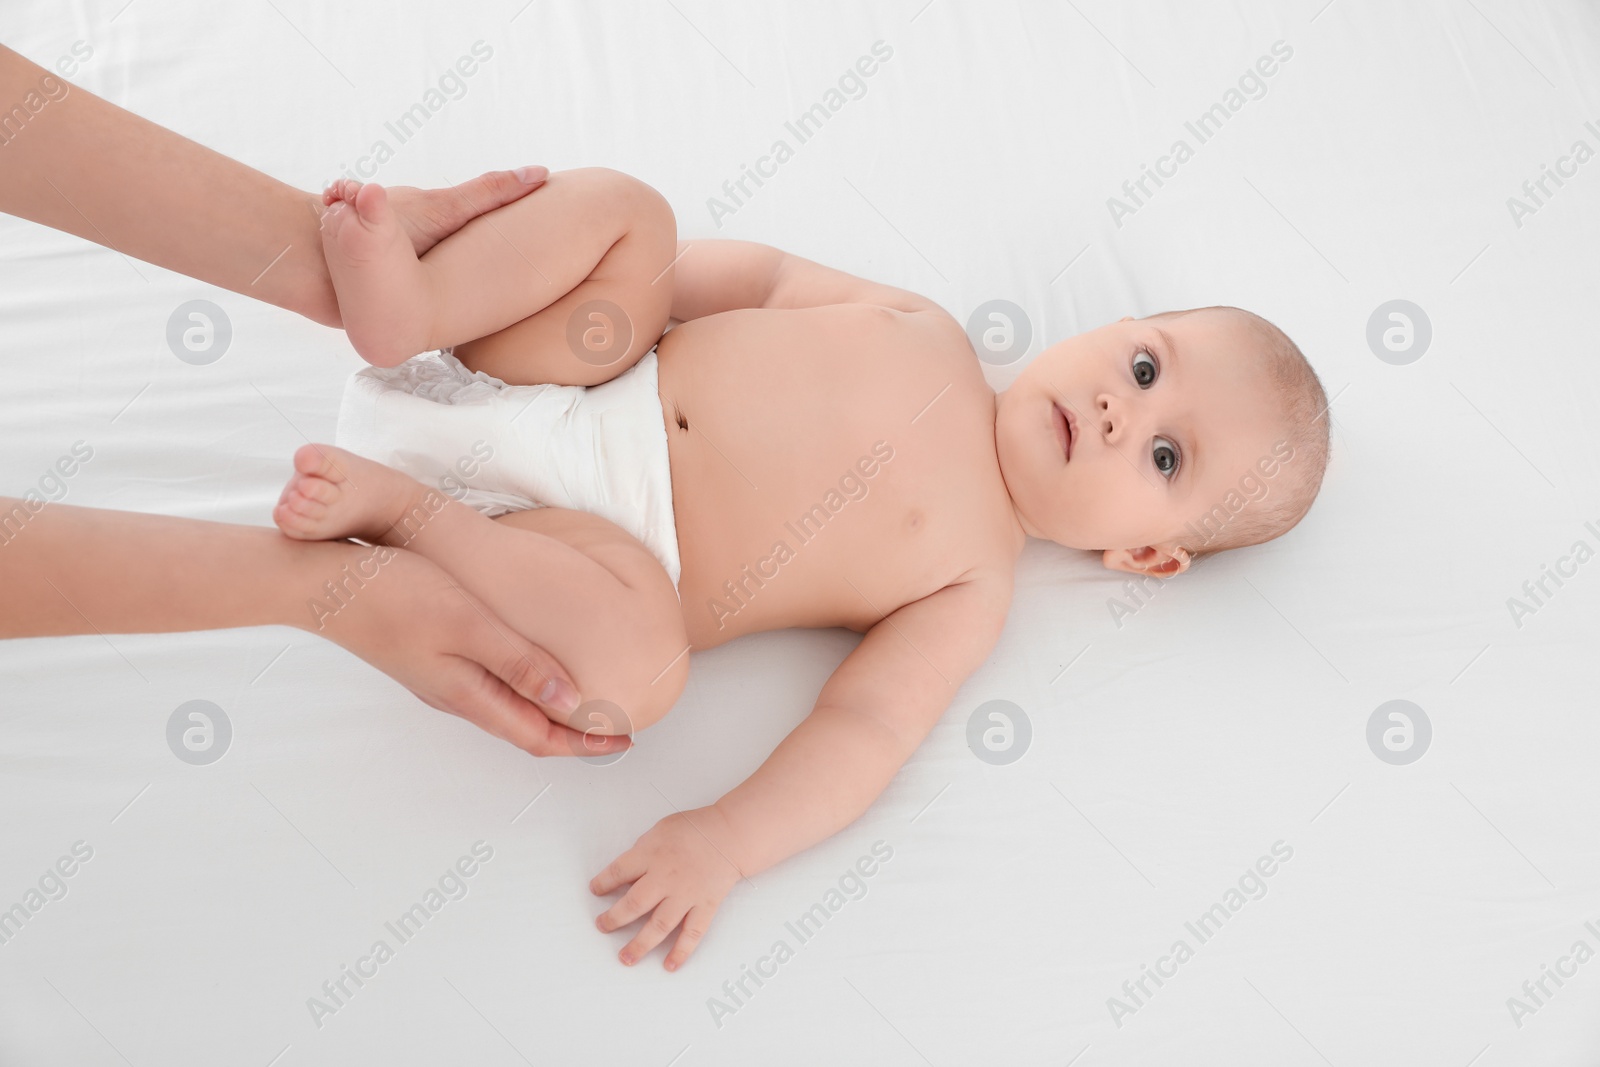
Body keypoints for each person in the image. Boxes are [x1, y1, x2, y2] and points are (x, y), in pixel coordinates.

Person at [254, 160, 1331, 972]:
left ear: (1142, 551)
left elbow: (861, 731)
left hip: (568, 540)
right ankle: (417, 309)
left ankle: (410, 511)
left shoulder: (969, 584)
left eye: (1162, 453)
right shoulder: (929, 329)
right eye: (1144, 366)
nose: (1116, 406)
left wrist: (727, 840)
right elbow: (763, 280)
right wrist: (638, 294)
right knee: (635, 217)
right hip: (582, 371)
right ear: (1113, 327)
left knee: (636, 674)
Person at [0, 42, 625, 760]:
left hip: (598, 537)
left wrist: (729, 838)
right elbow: (756, 283)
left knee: (618, 678)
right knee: (619, 205)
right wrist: (331, 591)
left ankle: (392, 303)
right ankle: (407, 350)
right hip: (588, 429)